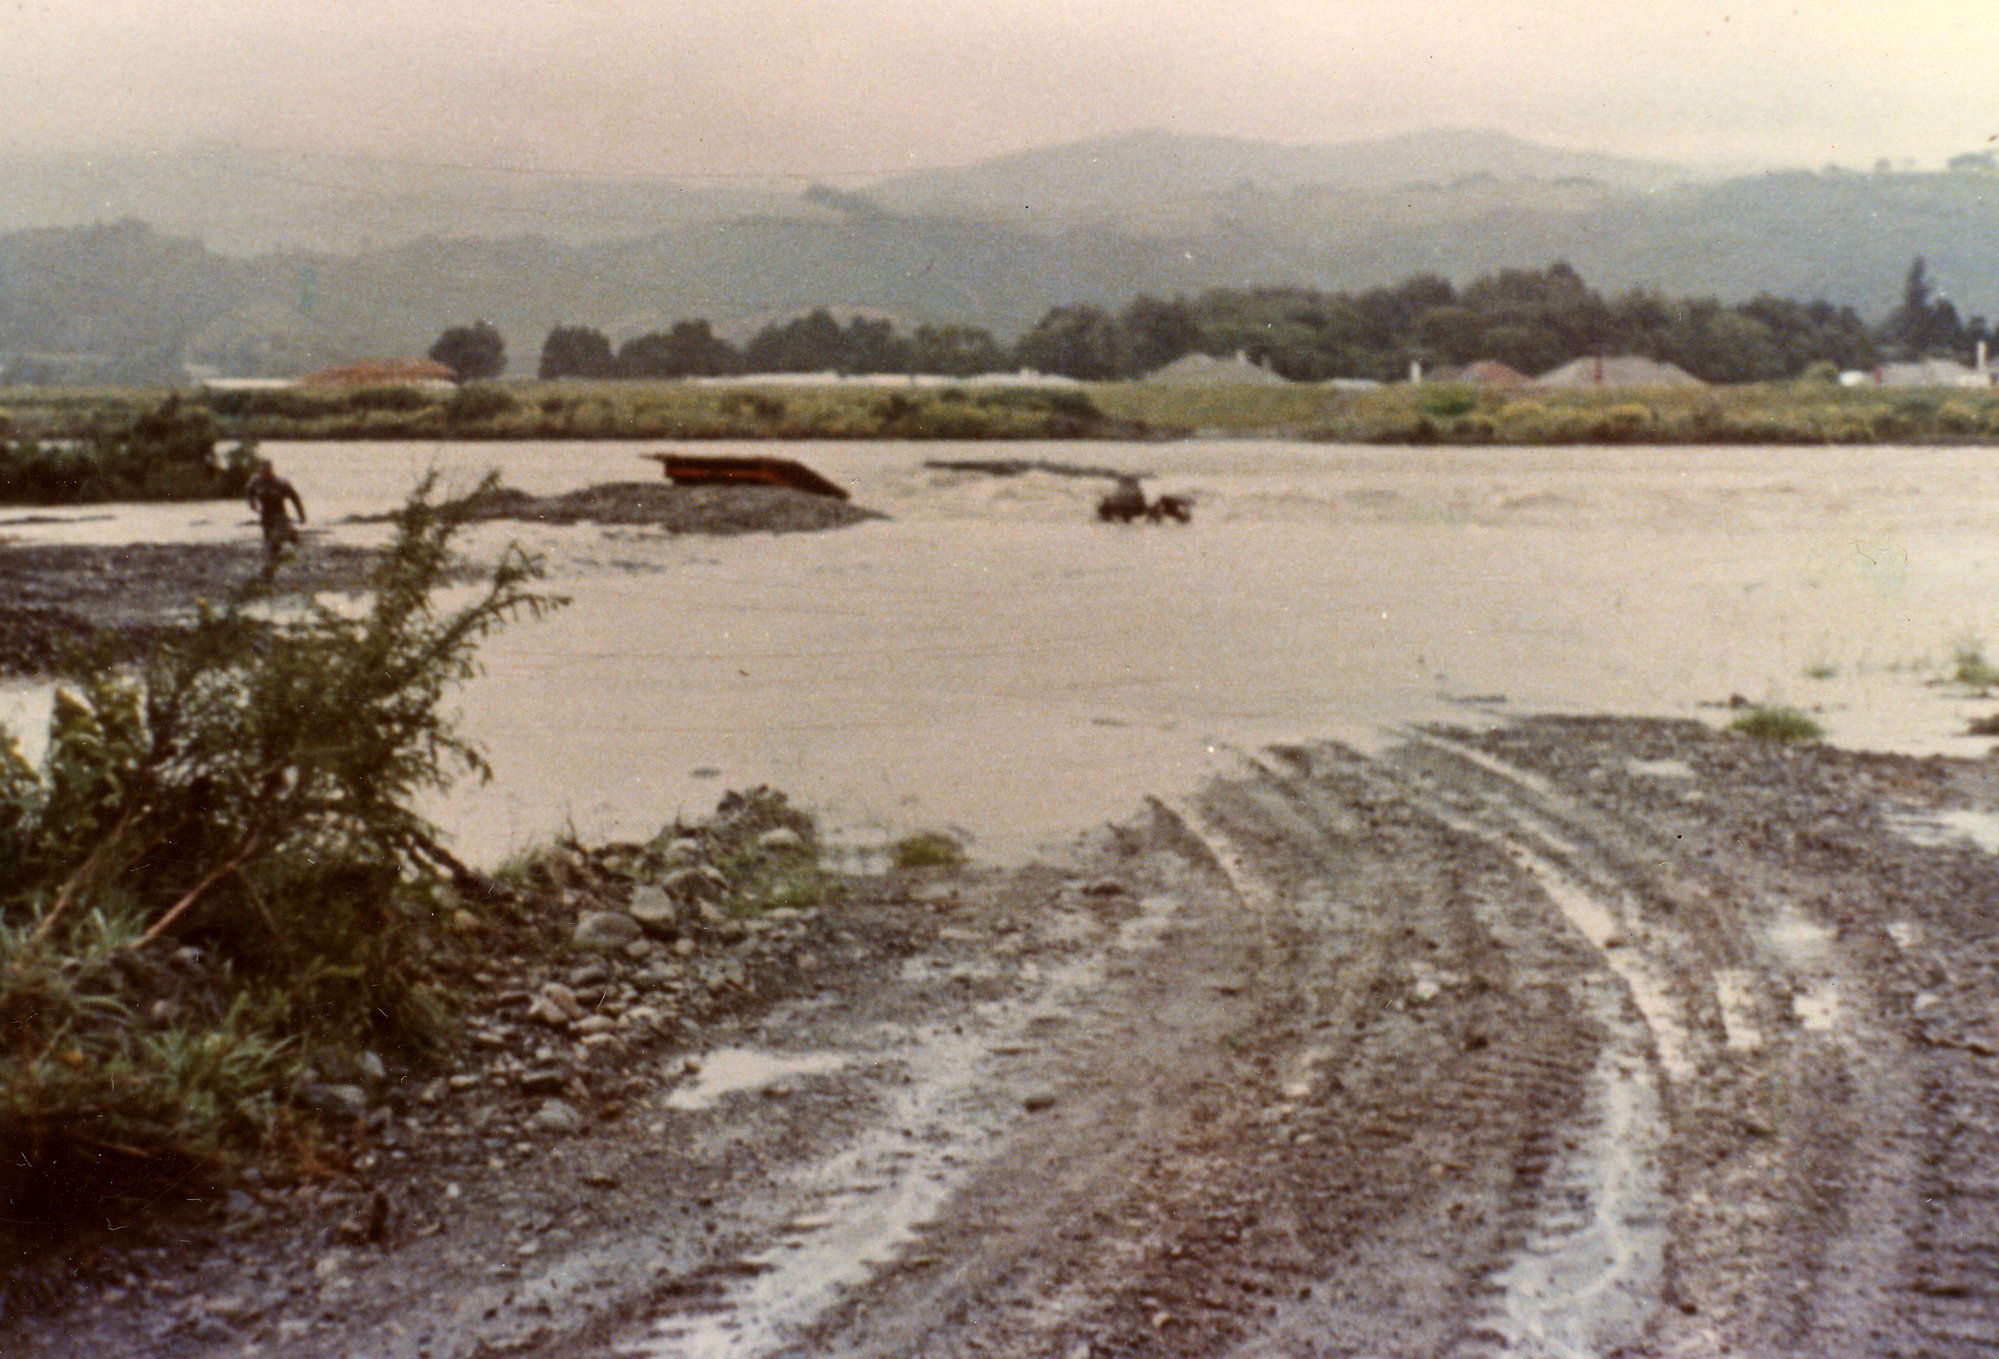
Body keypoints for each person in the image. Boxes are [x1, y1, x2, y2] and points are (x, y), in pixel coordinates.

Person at [245, 459, 306, 559]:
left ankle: (290, 536)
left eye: (268, 471)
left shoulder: (281, 483)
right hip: (265, 515)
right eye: (263, 471)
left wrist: (301, 515)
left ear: (272, 470)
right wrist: (252, 503)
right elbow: (249, 492)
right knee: (268, 540)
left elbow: (295, 499)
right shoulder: (256, 482)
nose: (266, 474)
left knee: (276, 539)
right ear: (260, 471)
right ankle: (273, 559)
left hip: (280, 514)